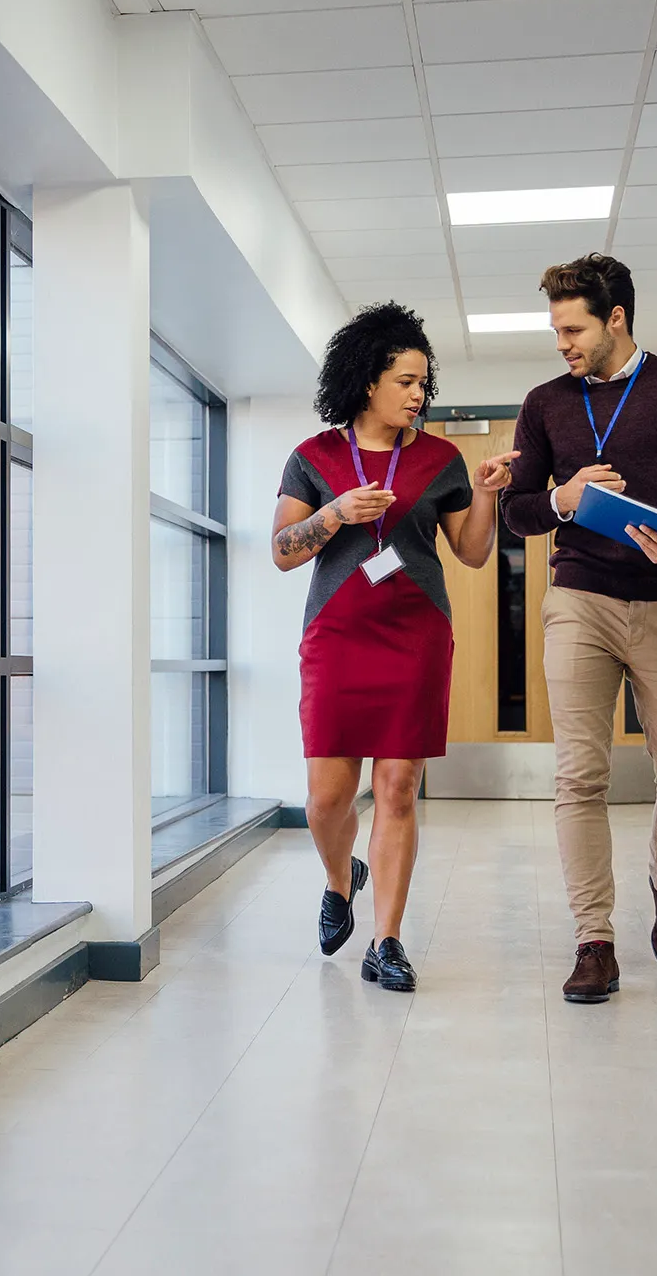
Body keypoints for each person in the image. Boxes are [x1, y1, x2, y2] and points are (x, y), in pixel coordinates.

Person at [500, 253, 657, 1005]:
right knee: (580, 774)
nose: (561, 343)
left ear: (617, 319)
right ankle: (594, 940)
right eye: (555, 330)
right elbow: (517, 511)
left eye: (572, 328)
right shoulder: (545, 402)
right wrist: (564, 499)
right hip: (580, 598)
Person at [273, 302, 517, 991]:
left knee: (398, 788)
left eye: (423, 382)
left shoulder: (441, 459)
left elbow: (470, 555)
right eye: (406, 381)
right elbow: (283, 553)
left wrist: (488, 495)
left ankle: (386, 941)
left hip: (415, 635)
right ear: (367, 380)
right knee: (327, 798)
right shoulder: (314, 458)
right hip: (336, 637)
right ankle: (338, 876)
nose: (419, 394)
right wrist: (333, 514)